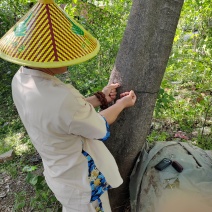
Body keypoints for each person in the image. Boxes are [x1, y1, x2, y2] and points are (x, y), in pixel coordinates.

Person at [0, 1, 136, 211]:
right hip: (82, 181)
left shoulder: (20, 80)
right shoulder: (63, 98)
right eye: (64, 52)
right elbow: (99, 126)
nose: (69, 59)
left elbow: (61, 116)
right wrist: (122, 104)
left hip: (59, 174)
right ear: (45, 57)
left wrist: (100, 98)